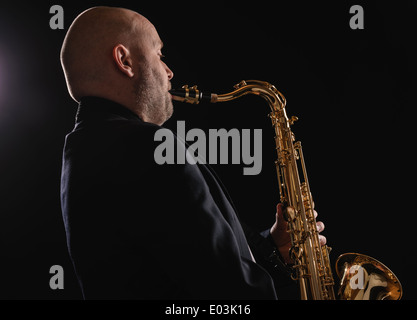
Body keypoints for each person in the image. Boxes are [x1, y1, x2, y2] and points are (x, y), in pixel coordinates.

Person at [60, 6, 326, 299]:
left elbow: (187, 272)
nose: (169, 71)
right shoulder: (145, 147)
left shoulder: (85, 148)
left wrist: (272, 249)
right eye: (159, 55)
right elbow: (227, 292)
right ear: (125, 61)